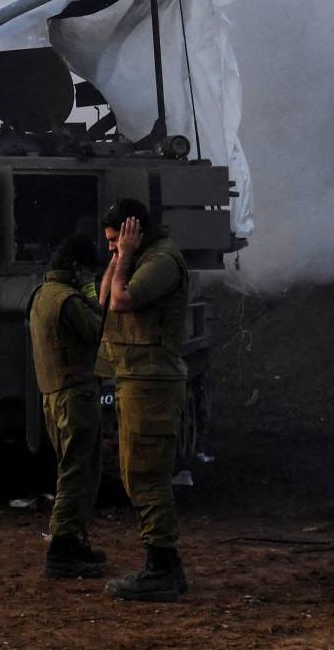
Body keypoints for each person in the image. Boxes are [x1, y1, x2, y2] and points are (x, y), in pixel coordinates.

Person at [94, 198, 193, 602]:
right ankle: (165, 565)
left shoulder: (162, 261)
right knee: (136, 472)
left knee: (147, 476)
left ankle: (161, 568)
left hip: (152, 382)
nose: (110, 246)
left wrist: (126, 255)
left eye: (114, 238)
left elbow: (121, 301)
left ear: (133, 231)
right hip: (135, 378)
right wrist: (120, 256)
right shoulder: (135, 258)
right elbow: (104, 297)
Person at [28, 228, 106, 578]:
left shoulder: (43, 294)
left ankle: (73, 541)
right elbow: (100, 332)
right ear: (77, 268)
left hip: (56, 395)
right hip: (75, 396)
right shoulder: (69, 300)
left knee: (74, 468)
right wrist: (91, 294)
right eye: (87, 271)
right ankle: (61, 550)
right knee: (77, 472)